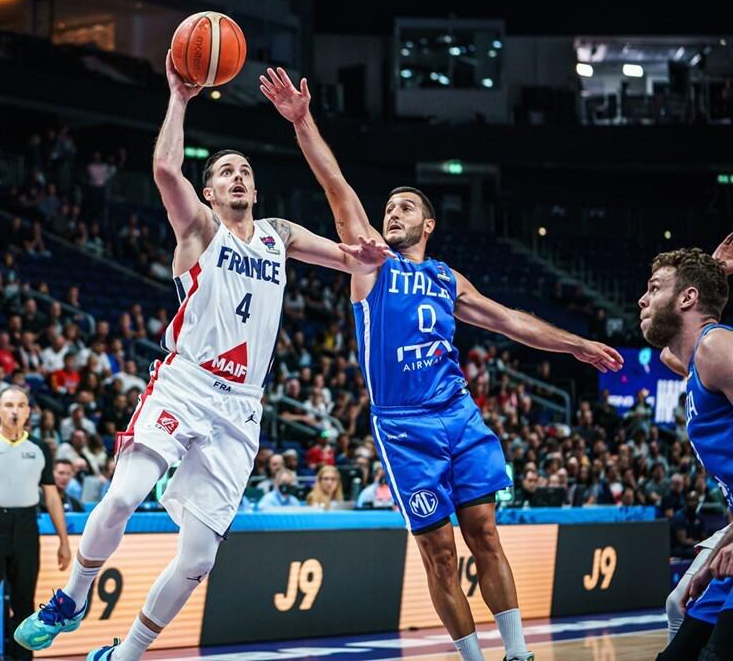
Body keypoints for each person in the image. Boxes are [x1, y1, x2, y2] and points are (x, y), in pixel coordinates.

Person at [13, 51, 392, 660]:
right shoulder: (199, 231)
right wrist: (179, 98)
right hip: (185, 382)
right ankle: (73, 596)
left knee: (199, 558)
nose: (238, 176)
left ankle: (124, 656)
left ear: (255, 187)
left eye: (245, 169)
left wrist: (367, 252)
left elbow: (352, 255)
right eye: (225, 172)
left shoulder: (280, 235)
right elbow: (165, 168)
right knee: (120, 496)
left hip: (242, 407)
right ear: (209, 190)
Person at [262, 66, 625, 661]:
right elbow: (336, 187)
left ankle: (518, 655)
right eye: (390, 207)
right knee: (438, 552)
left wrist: (576, 345)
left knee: (484, 533)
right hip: (403, 424)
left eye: (405, 207)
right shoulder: (369, 264)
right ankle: (473, 659)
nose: (393, 213)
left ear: (428, 224)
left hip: (457, 413)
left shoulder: (444, 277)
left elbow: (509, 320)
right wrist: (303, 121)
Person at [643, 239, 733, 660]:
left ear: (687, 297)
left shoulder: (716, 348)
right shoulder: (699, 359)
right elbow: (665, 351)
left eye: (655, 287)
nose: (643, 298)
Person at [0, 387, 70, 661]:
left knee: (24, 608)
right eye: (8, 405)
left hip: (27, 528)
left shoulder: (39, 447)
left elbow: (51, 496)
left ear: (29, 411)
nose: (14, 410)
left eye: (20, 405)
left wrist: (64, 541)